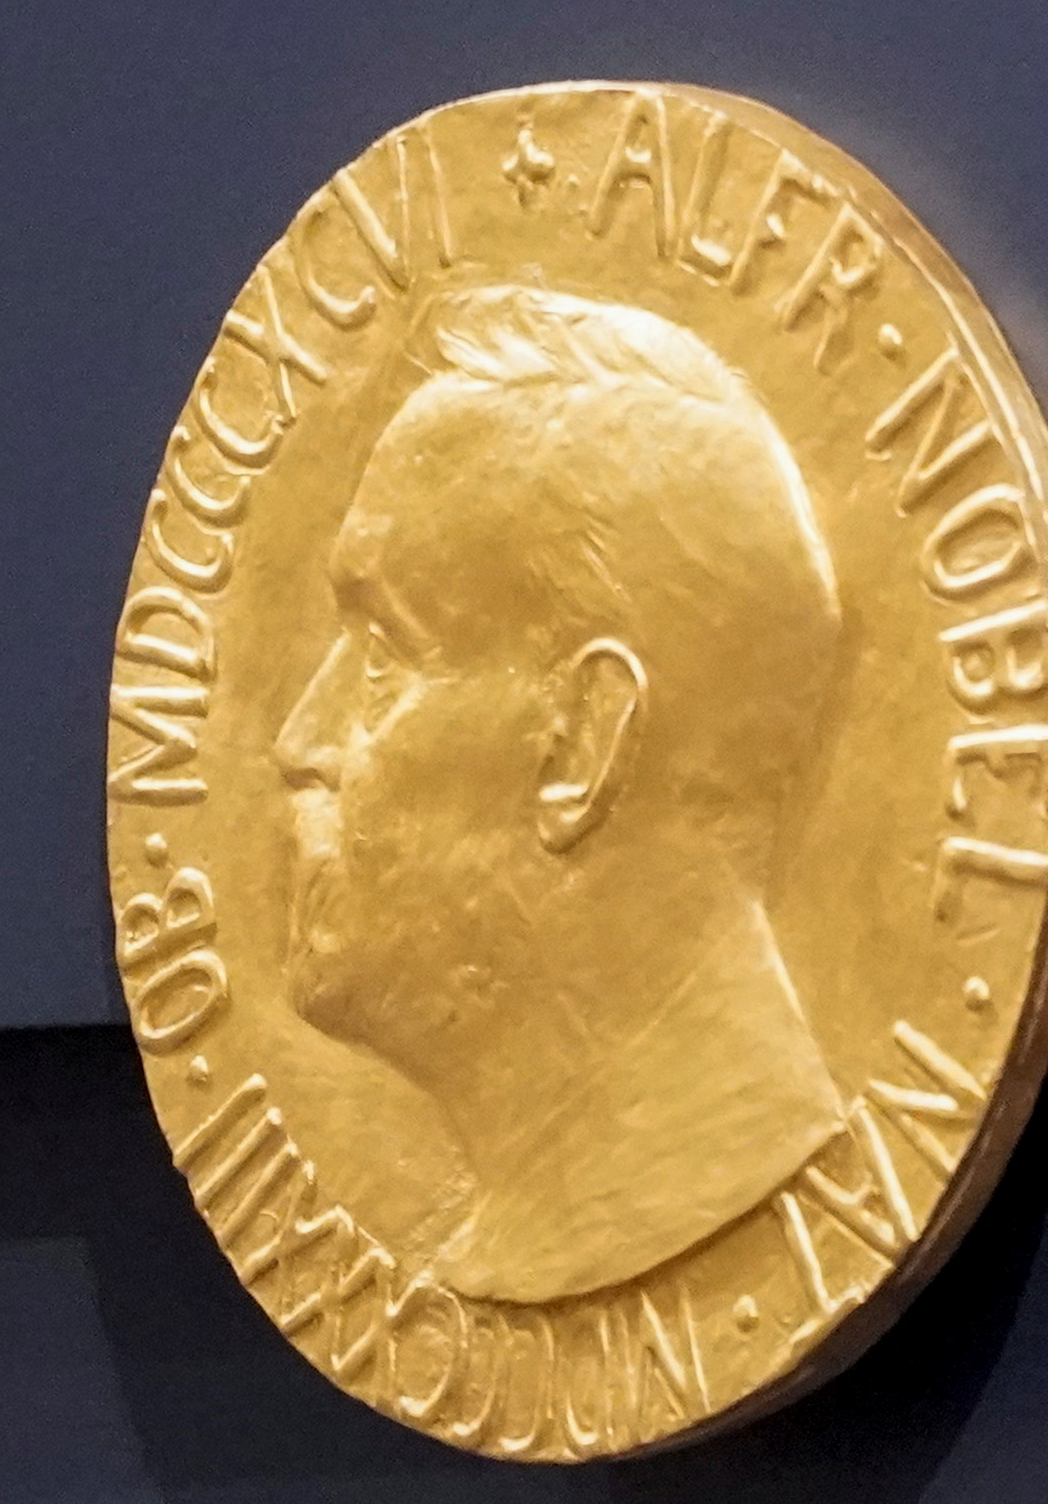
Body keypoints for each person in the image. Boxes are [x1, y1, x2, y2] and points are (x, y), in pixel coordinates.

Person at [271, 286, 855, 1301]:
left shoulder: (701, 1182)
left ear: (582, 742)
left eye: (382, 652)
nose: (298, 742)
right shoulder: (501, 1245)